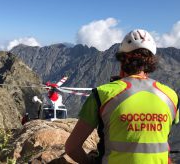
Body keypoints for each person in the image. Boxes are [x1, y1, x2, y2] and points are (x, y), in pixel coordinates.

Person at [65, 29, 179, 164]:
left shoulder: (103, 94)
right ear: (150, 62)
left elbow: (72, 148)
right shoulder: (171, 96)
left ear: (122, 59)